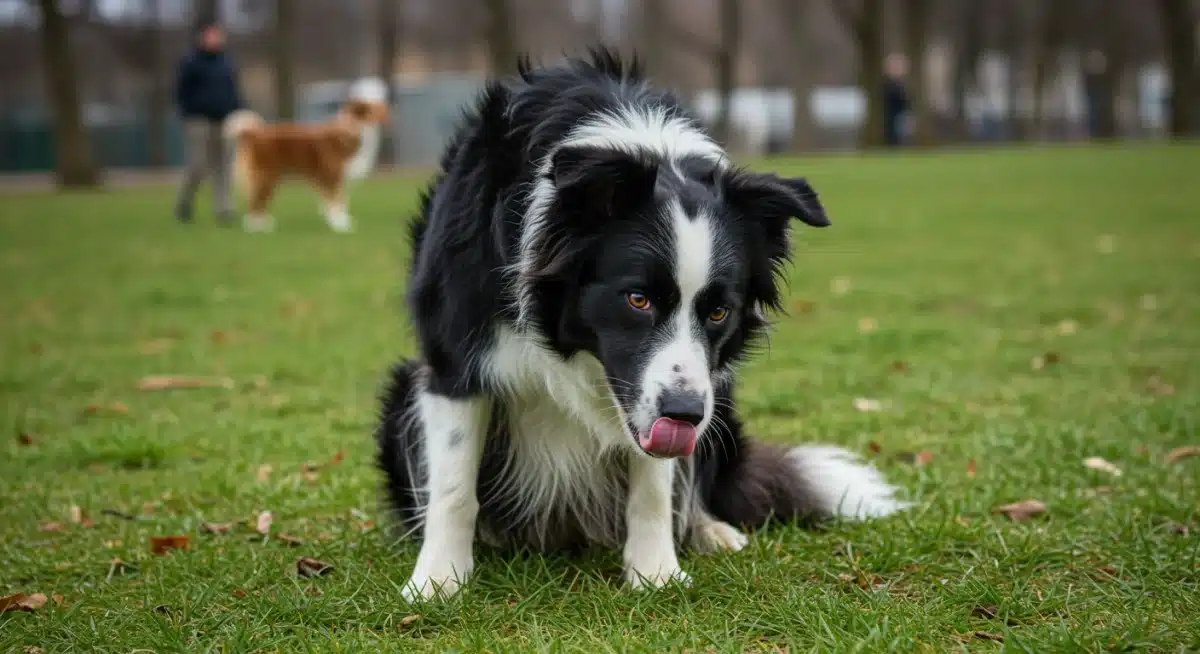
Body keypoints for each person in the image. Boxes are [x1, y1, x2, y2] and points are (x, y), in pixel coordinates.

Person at [173, 20, 242, 225]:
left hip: (224, 120)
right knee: (197, 165)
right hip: (199, 120)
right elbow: (181, 93)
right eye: (211, 35)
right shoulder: (192, 62)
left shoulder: (226, 63)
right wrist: (190, 111)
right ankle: (184, 203)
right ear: (203, 38)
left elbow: (234, 91)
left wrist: (238, 110)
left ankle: (223, 209)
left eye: (218, 35)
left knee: (224, 166)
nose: (215, 39)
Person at [882, 53, 910, 147]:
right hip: (892, 116)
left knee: (902, 135)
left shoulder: (901, 84)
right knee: (893, 136)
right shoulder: (889, 84)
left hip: (901, 115)